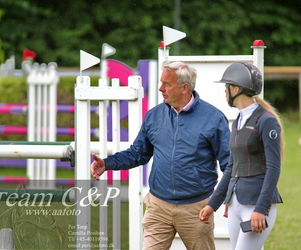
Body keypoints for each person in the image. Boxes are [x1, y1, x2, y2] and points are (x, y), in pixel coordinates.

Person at [90, 61, 230, 250]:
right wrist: (107, 164)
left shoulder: (213, 118)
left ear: (184, 87)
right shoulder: (154, 116)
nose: (160, 88)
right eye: (161, 82)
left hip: (196, 209)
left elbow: (229, 164)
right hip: (158, 206)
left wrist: (222, 200)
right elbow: (138, 153)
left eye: (167, 84)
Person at [199, 62, 283, 250]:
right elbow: (232, 167)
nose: (225, 92)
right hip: (236, 203)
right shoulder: (238, 120)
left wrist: (261, 208)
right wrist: (213, 204)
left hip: (256, 204)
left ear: (236, 89)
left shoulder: (266, 121)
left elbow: (274, 167)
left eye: (226, 88)